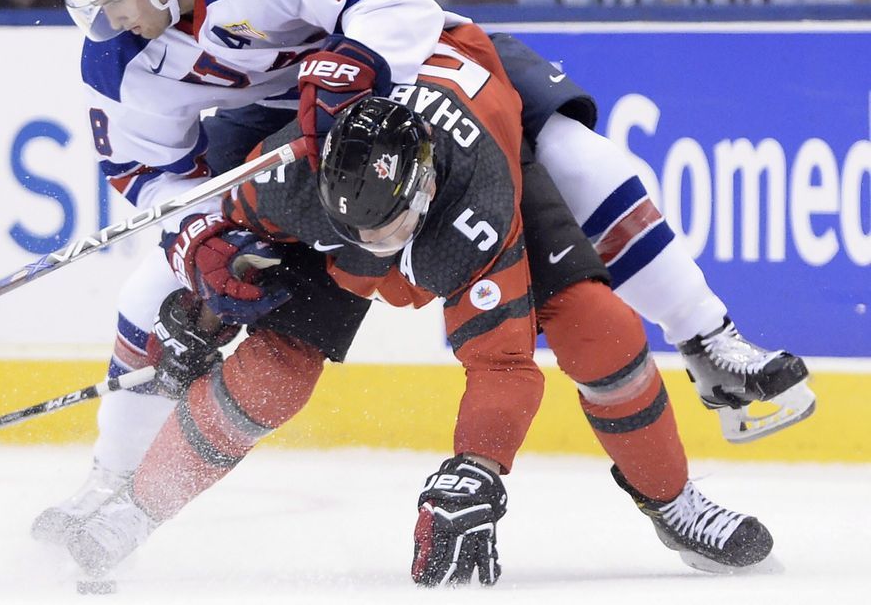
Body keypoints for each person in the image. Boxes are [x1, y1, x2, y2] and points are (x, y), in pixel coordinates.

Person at [31, 0, 804, 557]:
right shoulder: (124, 65)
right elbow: (150, 176)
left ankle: (708, 339)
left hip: (407, 71)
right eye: (95, 8)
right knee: (169, 295)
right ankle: (113, 486)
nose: (114, 21)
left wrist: (354, 62)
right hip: (293, 142)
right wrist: (202, 241)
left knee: (584, 186)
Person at [60, 30, 774, 582]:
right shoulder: (292, 173)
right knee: (273, 372)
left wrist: (478, 468)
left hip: (483, 126)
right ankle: (133, 510)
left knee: (600, 329)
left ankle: (675, 504)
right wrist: (207, 305)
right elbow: (220, 242)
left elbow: (504, 364)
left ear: (425, 185)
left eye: (385, 229)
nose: (372, 244)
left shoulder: (478, 208)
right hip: (374, 149)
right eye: (355, 230)